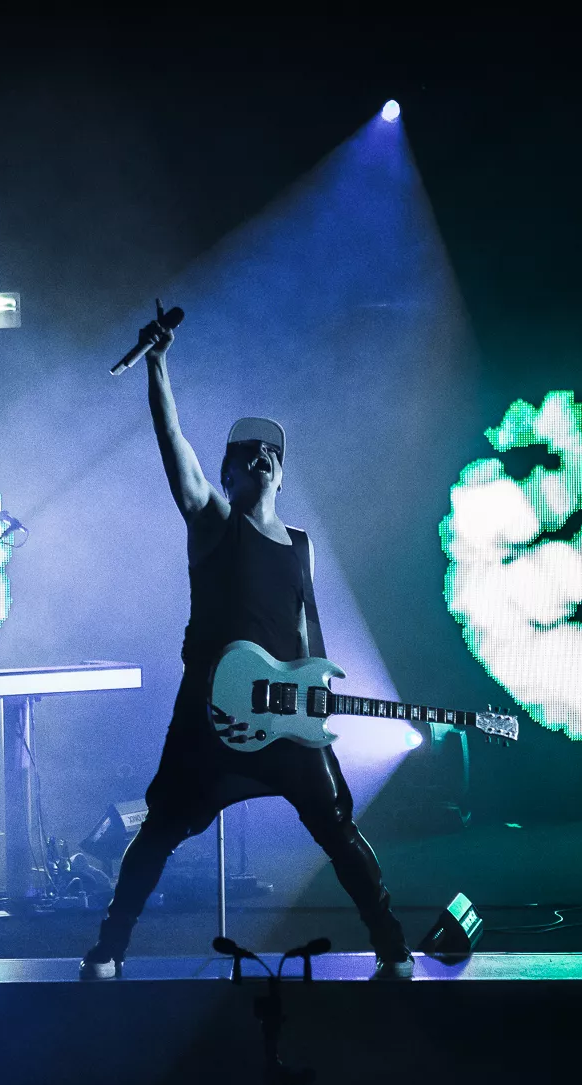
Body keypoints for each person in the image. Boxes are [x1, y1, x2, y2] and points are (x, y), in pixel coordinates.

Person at [80, 319, 413, 980]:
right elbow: (173, 445)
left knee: (337, 827)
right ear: (227, 474)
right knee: (160, 831)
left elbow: (306, 630)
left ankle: (393, 948)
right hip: (210, 717)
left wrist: (318, 705)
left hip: (288, 719)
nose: (262, 457)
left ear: (282, 476)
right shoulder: (211, 522)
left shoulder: (302, 544)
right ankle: (109, 950)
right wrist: (157, 369)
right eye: (247, 452)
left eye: (272, 453)